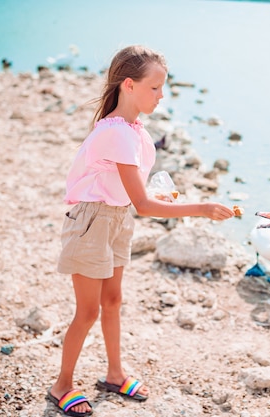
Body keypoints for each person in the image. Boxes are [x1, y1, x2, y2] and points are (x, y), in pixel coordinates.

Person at [46, 45, 235, 417]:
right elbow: (145, 206)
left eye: (163, 88)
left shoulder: (136, 130)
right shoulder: (116, 132)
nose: (162, 95)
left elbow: (137, 192)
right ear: (128, 85)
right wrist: (202, 209)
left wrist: (160, 193)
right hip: (92, 223)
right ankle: (62, 385)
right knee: (87, 312)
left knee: (113, 301)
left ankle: (115, 373)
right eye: (155, 88)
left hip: (116, 219)